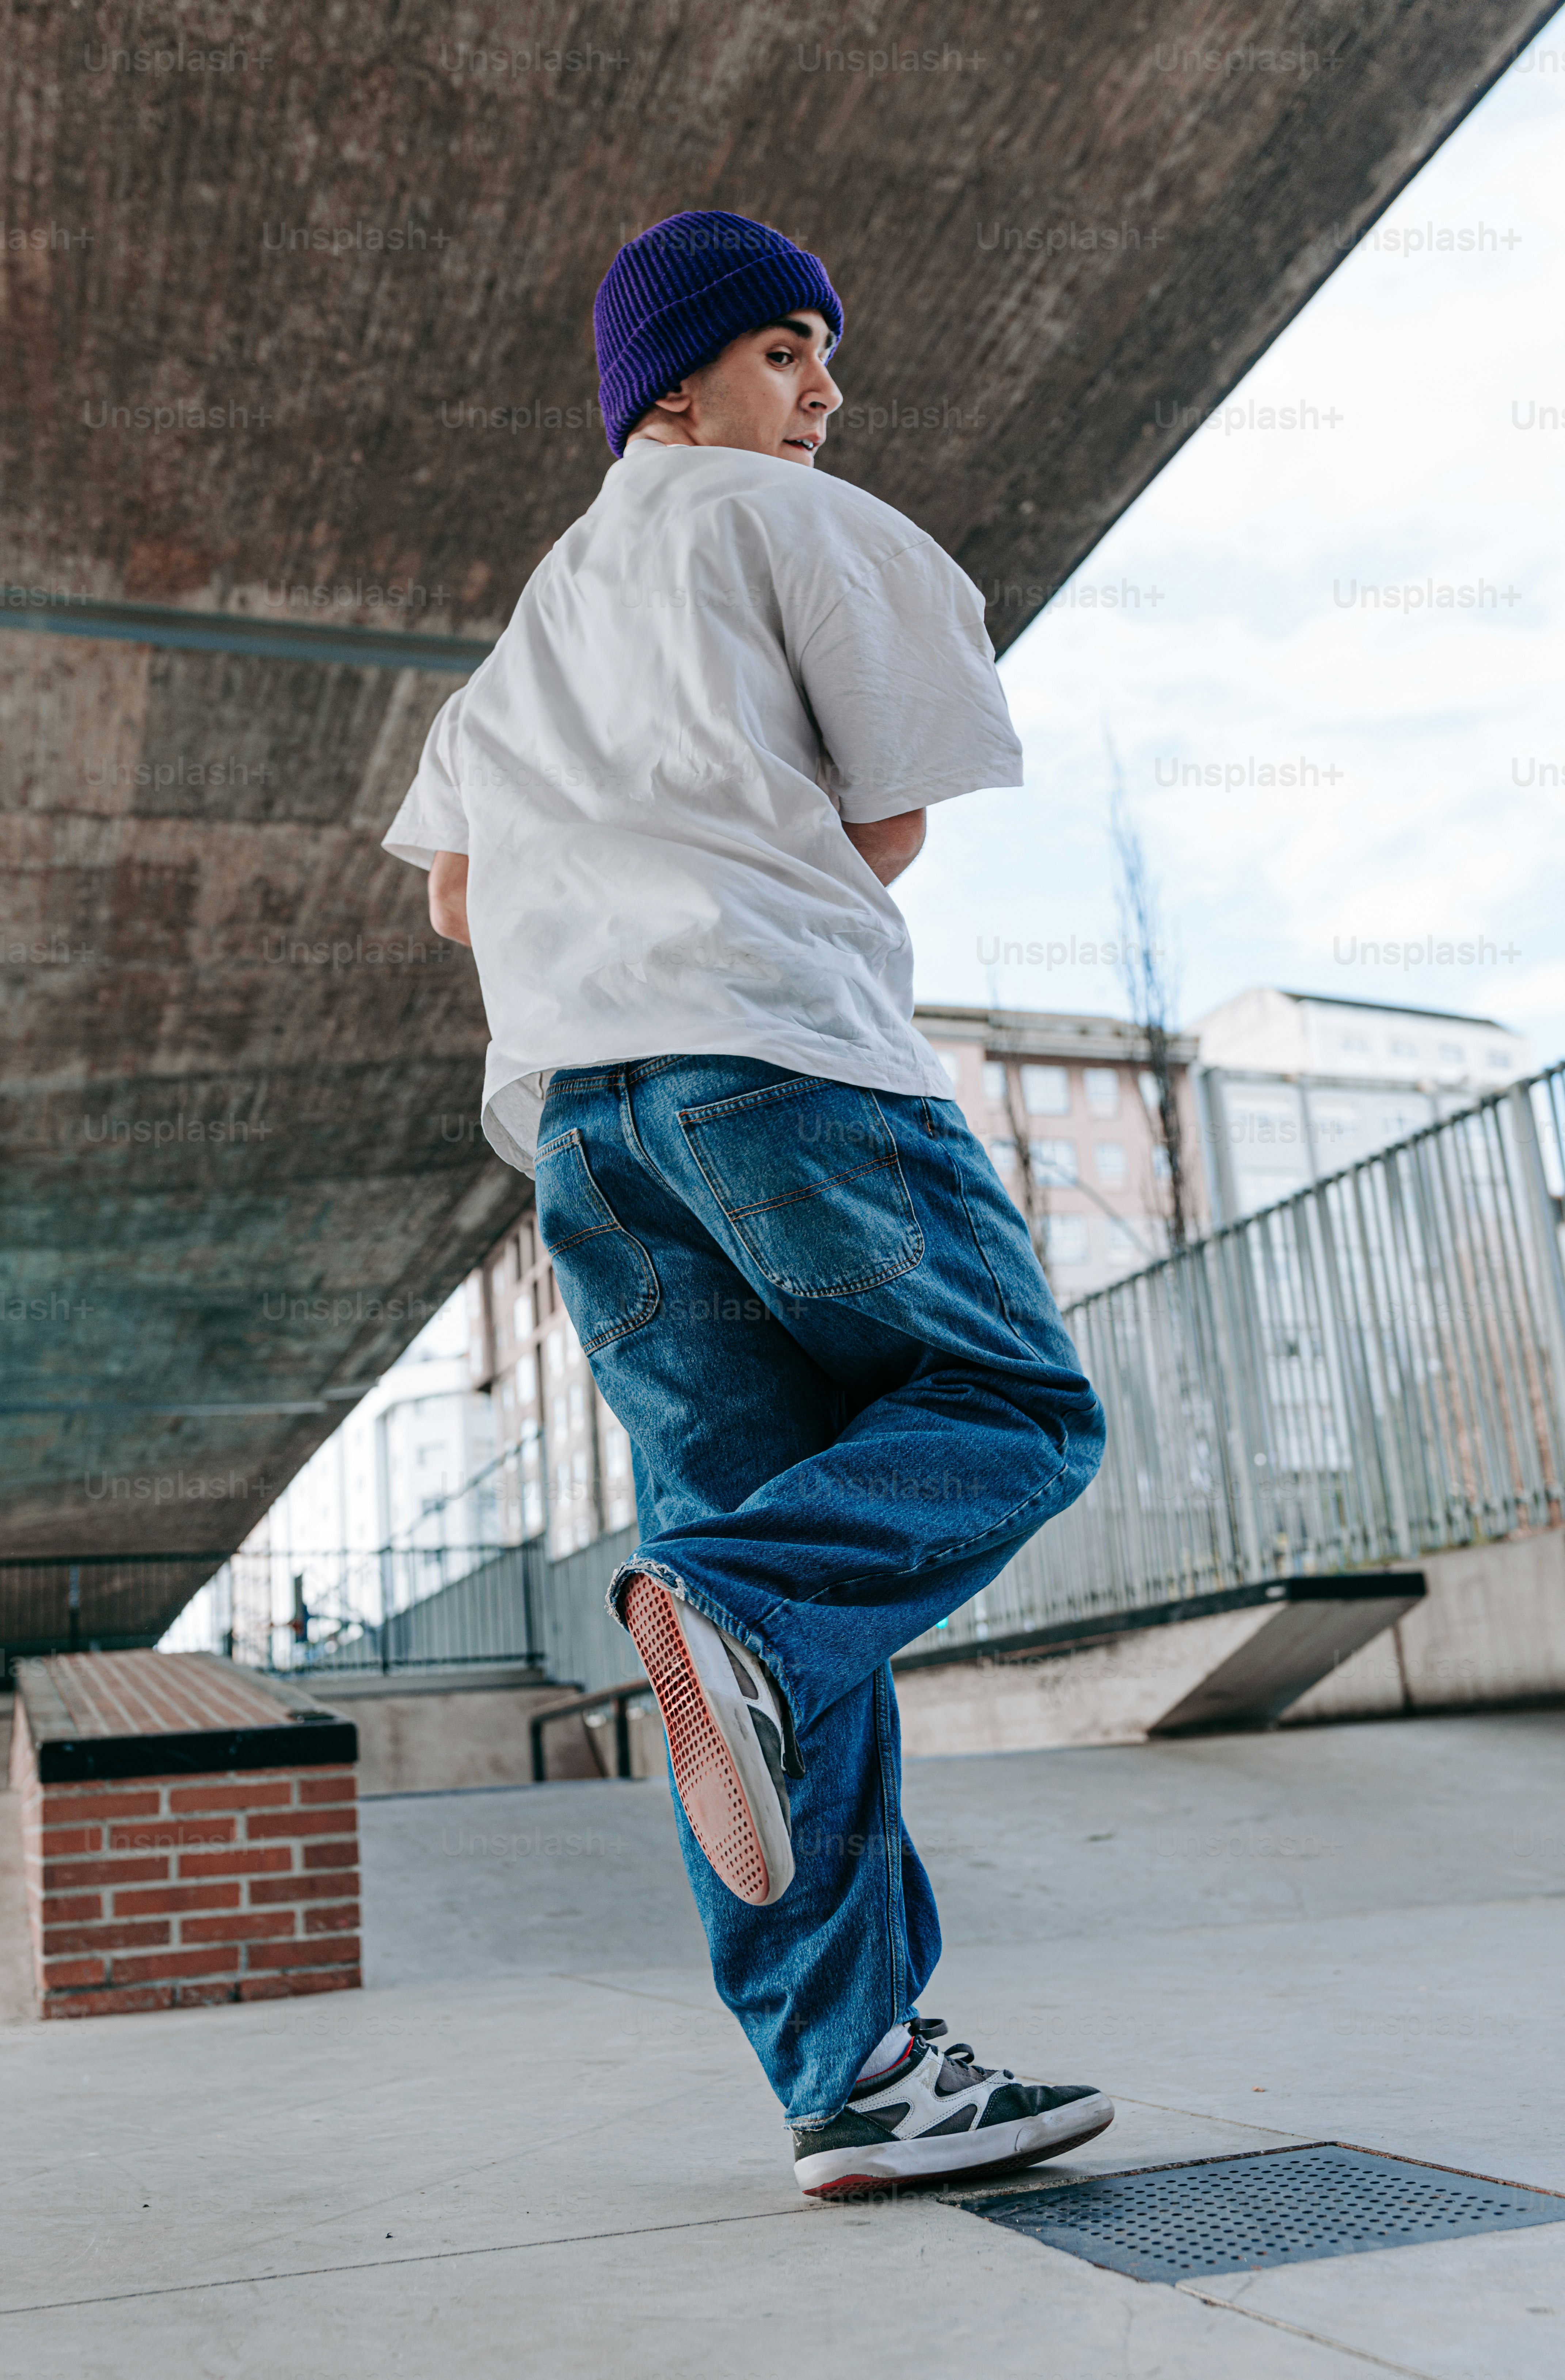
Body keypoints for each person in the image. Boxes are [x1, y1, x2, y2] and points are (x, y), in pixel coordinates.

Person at [385, 209, 1112, 2198]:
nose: (825, 391)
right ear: (674, 384)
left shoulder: (531, 631)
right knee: (1016, 1412)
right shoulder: (803, 526)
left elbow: (453, 890)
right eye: (788, 351)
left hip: (587, 1130)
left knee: (759, 1572)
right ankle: (750, 1615)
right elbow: (887, 819)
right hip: (778, 1068)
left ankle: (856, 2071)